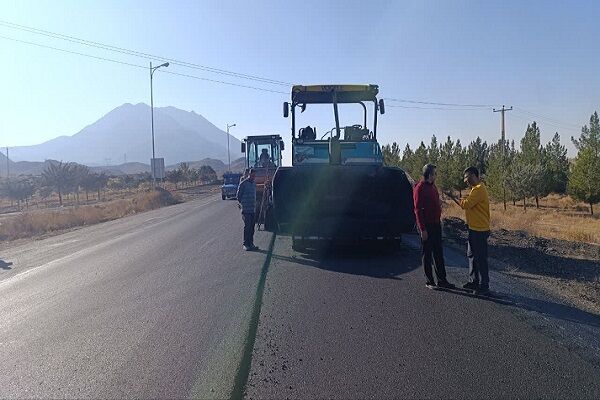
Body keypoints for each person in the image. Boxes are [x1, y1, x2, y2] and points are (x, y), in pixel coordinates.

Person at [446, 166, 491, 294]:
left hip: (480, 230)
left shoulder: (478, 190)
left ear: (476, 176)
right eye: (465, 178)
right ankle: (474, 282)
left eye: (468, 177)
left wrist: (454, 197)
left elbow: (466, 205)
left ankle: (484, 285)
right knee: (472, 255)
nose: (466, 181)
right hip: (474, 228)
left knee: (480, 258)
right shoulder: (474, 189)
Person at [413, 164, 455, 290]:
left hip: (436, 224)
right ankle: (429, 281)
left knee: (438, 253)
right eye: (435, 173)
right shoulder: (419, 188)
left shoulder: (433, 187)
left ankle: (442, 280)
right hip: (427, 226)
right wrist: (422, 229)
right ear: (430, 175)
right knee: (427, 254)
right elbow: (418, 210)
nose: (436, 176)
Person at [237, 168, 258, 251]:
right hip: (246, 210)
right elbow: (238, 196)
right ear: (249, 174)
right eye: (252, 175)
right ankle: (245, 244)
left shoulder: (254, 184)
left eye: (254, 176)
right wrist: (242, 205)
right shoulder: (243, 184)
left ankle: (251, 244)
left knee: (252, 227)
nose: (253, 177)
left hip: (252, 209)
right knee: (247, 227)